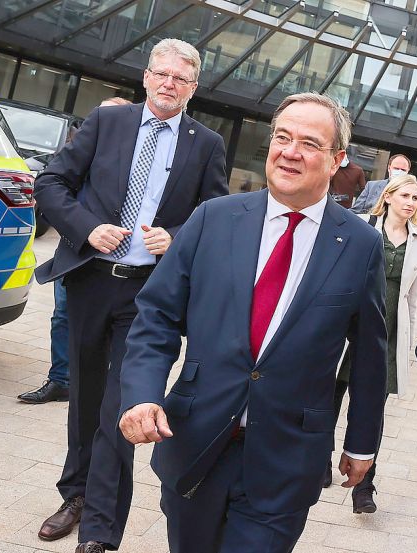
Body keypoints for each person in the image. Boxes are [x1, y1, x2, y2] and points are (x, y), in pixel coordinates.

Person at [117, 92, 388, 553]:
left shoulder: (360, 243)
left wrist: (362, 443)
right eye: (282, 137)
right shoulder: (213, 219)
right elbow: (157, 316)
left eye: (308, 143)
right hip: (196, 440)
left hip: (287, 456)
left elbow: (368, 354)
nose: (290, 152)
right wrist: (142, 395)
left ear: (337, 159)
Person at [32, 39, 228, 553]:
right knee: (85, 401)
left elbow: (217, 214)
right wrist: (87, 228)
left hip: (149, 295)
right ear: (146, 77)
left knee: (122, 406)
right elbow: (52, 183)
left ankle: (100, 529)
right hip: (92, 278)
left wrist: (178, 234)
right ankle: (74, 495)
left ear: (193, 88)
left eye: (180, 79)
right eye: (162, 74)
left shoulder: (205, 143)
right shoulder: (107, 122)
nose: (169, 84)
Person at [19, 96, 133, 406]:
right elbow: (54, 187)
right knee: (62, 316)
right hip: (75, 249)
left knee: (106, 326)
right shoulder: (78, 152)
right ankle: (60, 380)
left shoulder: (134, 158)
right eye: (97, 116)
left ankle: (97, 383)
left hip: (118, 258)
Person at [327, 174, 417, 513]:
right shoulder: (361, 226)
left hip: (386, 336)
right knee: (328, 398)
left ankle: (364, 487)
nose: (410, 202)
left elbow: (412, 299)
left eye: (415, 198)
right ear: (387, 197)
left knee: (372, 410)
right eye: (405, 195)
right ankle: (316, 463)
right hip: (346, 328)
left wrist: (408, 347)